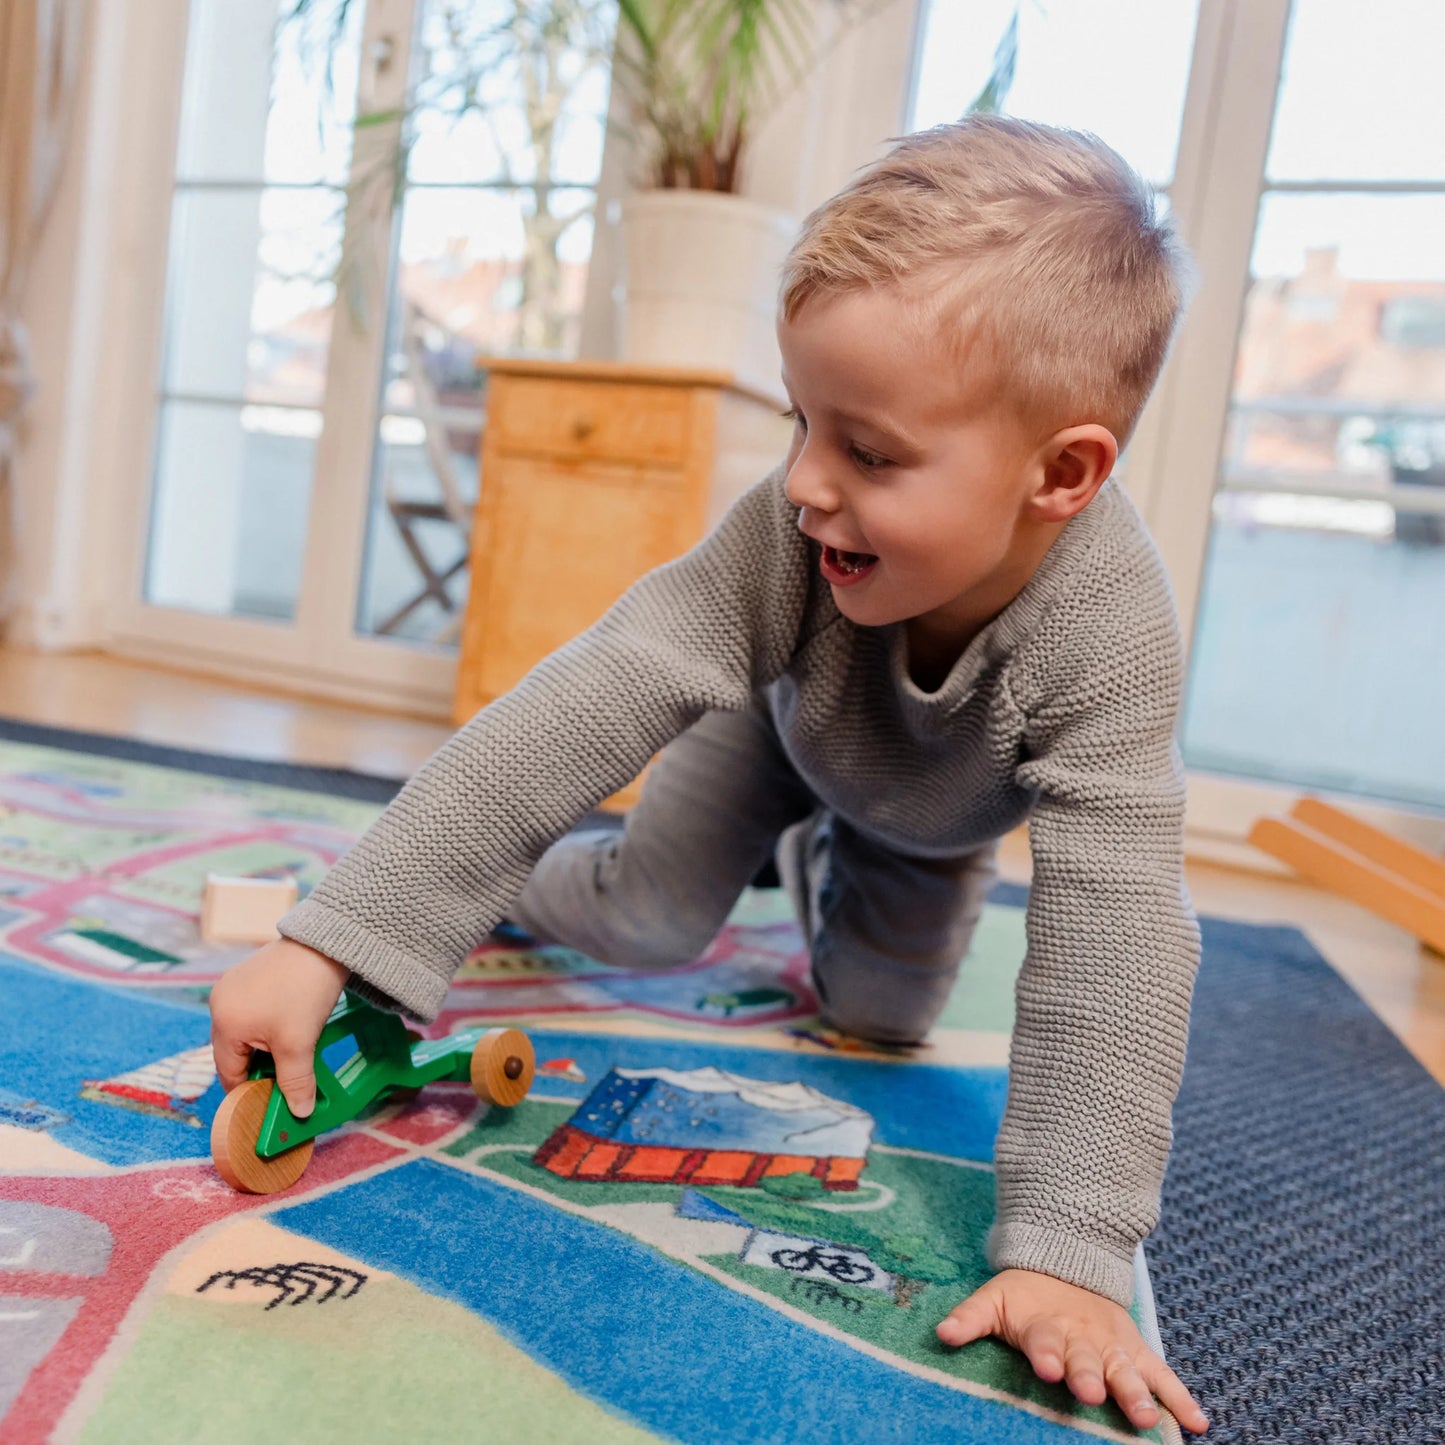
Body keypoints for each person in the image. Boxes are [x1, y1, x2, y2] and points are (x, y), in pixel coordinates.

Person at [210, 115, 1209, 1435]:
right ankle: (526, 884)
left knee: (880, 1012)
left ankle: (820, 864)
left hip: (932, 811)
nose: (801, 481)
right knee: (647, 912)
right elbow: (590, 693)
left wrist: (1069, 1243)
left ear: (1061, 473)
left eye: (867, 451)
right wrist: (342, 936)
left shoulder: (1113, 639)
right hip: (775, 723)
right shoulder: (787, 539)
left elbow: (1117, 940)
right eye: (801, 421)